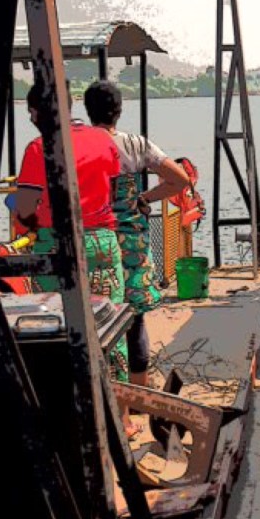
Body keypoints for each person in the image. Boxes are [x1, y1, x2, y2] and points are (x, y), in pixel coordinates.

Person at [83, 79, 190, 430]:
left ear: (87, 110)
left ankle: (106, 400)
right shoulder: (135, 144)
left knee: (99, 322)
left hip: (96, 241)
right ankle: (138, 398)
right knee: (135, 318)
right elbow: (180, 180)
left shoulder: (82, 147)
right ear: (120, 110)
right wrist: (144, 200)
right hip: (131, 244)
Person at [13, 78, 128, 380]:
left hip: (56, 245)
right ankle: (123, 412)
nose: (30, 118)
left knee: (56, 329)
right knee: (109, 325)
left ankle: (71, 407)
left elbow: (24, 209)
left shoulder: (39, 148)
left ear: (40, 110)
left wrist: (32, 221)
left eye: (31, 111)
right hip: (103, 240)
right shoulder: (103, 139)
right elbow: (112, 193)